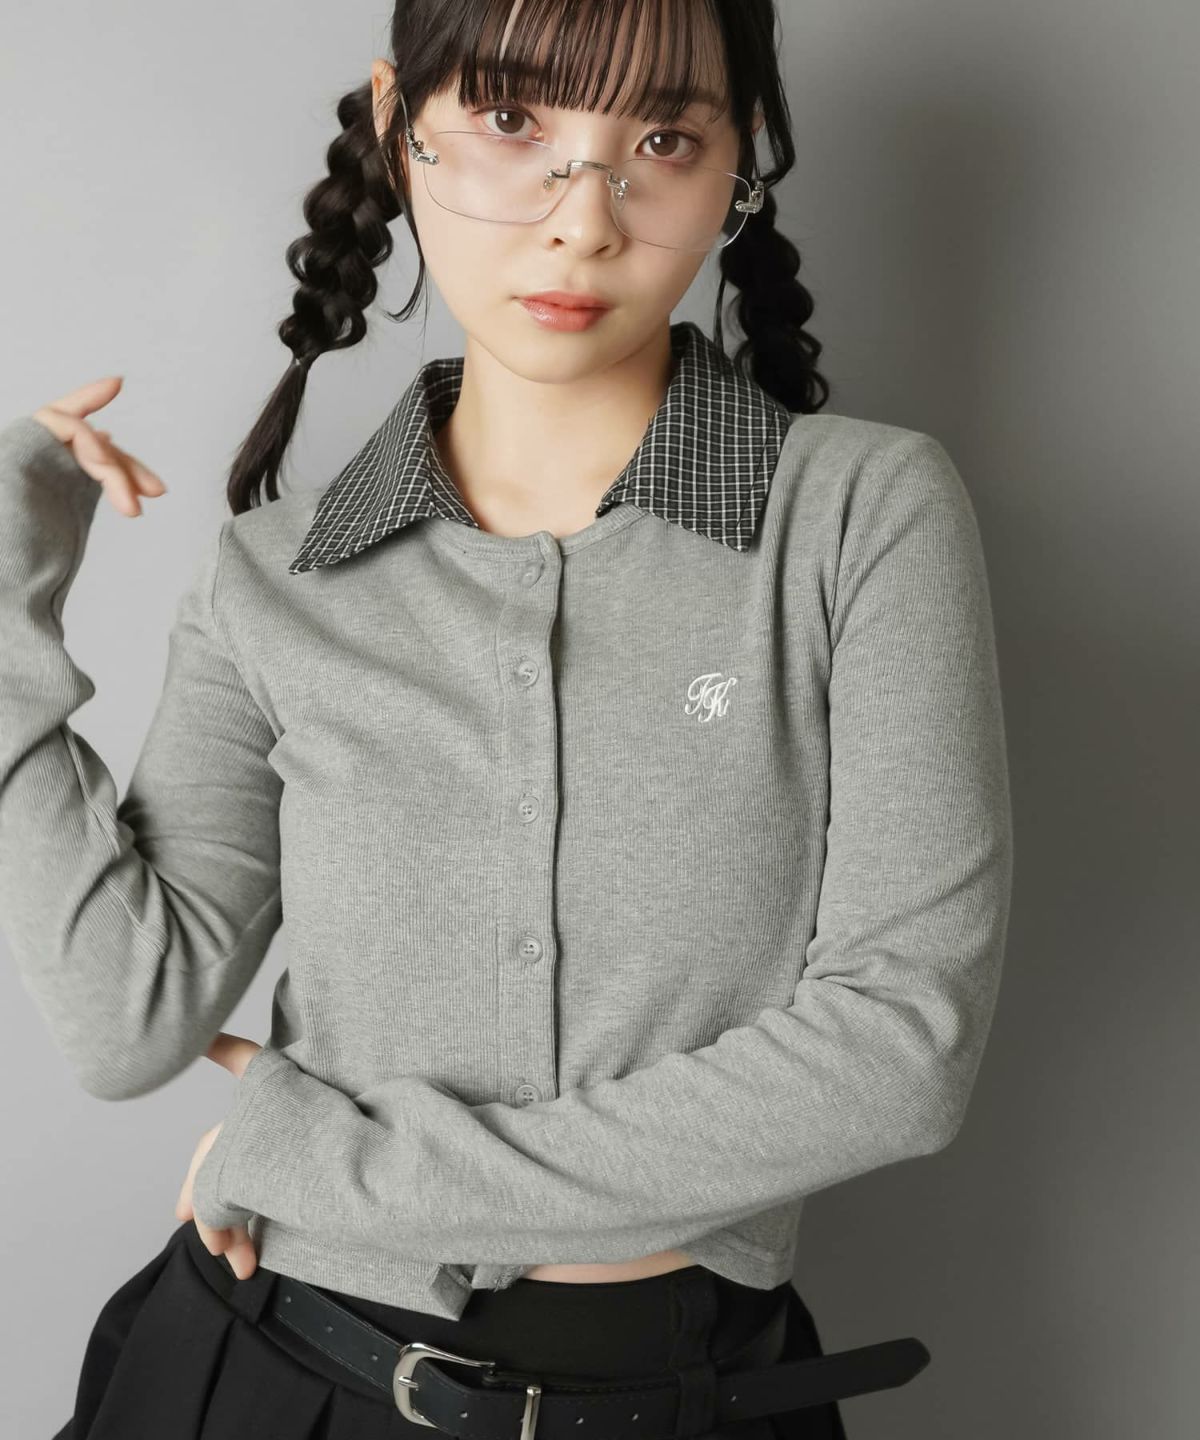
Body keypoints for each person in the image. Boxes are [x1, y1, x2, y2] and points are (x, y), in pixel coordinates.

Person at [0, 1, 1013, 1436]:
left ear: (739, 159)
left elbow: (900, 1052)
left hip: (697, 1395)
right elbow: (128, 1016)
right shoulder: (274, 577)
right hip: (272, 1378)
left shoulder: (861, 517)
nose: (582, 221)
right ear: (396, 124)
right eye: (512, 121)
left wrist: (345, 1169)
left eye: (662, 141)